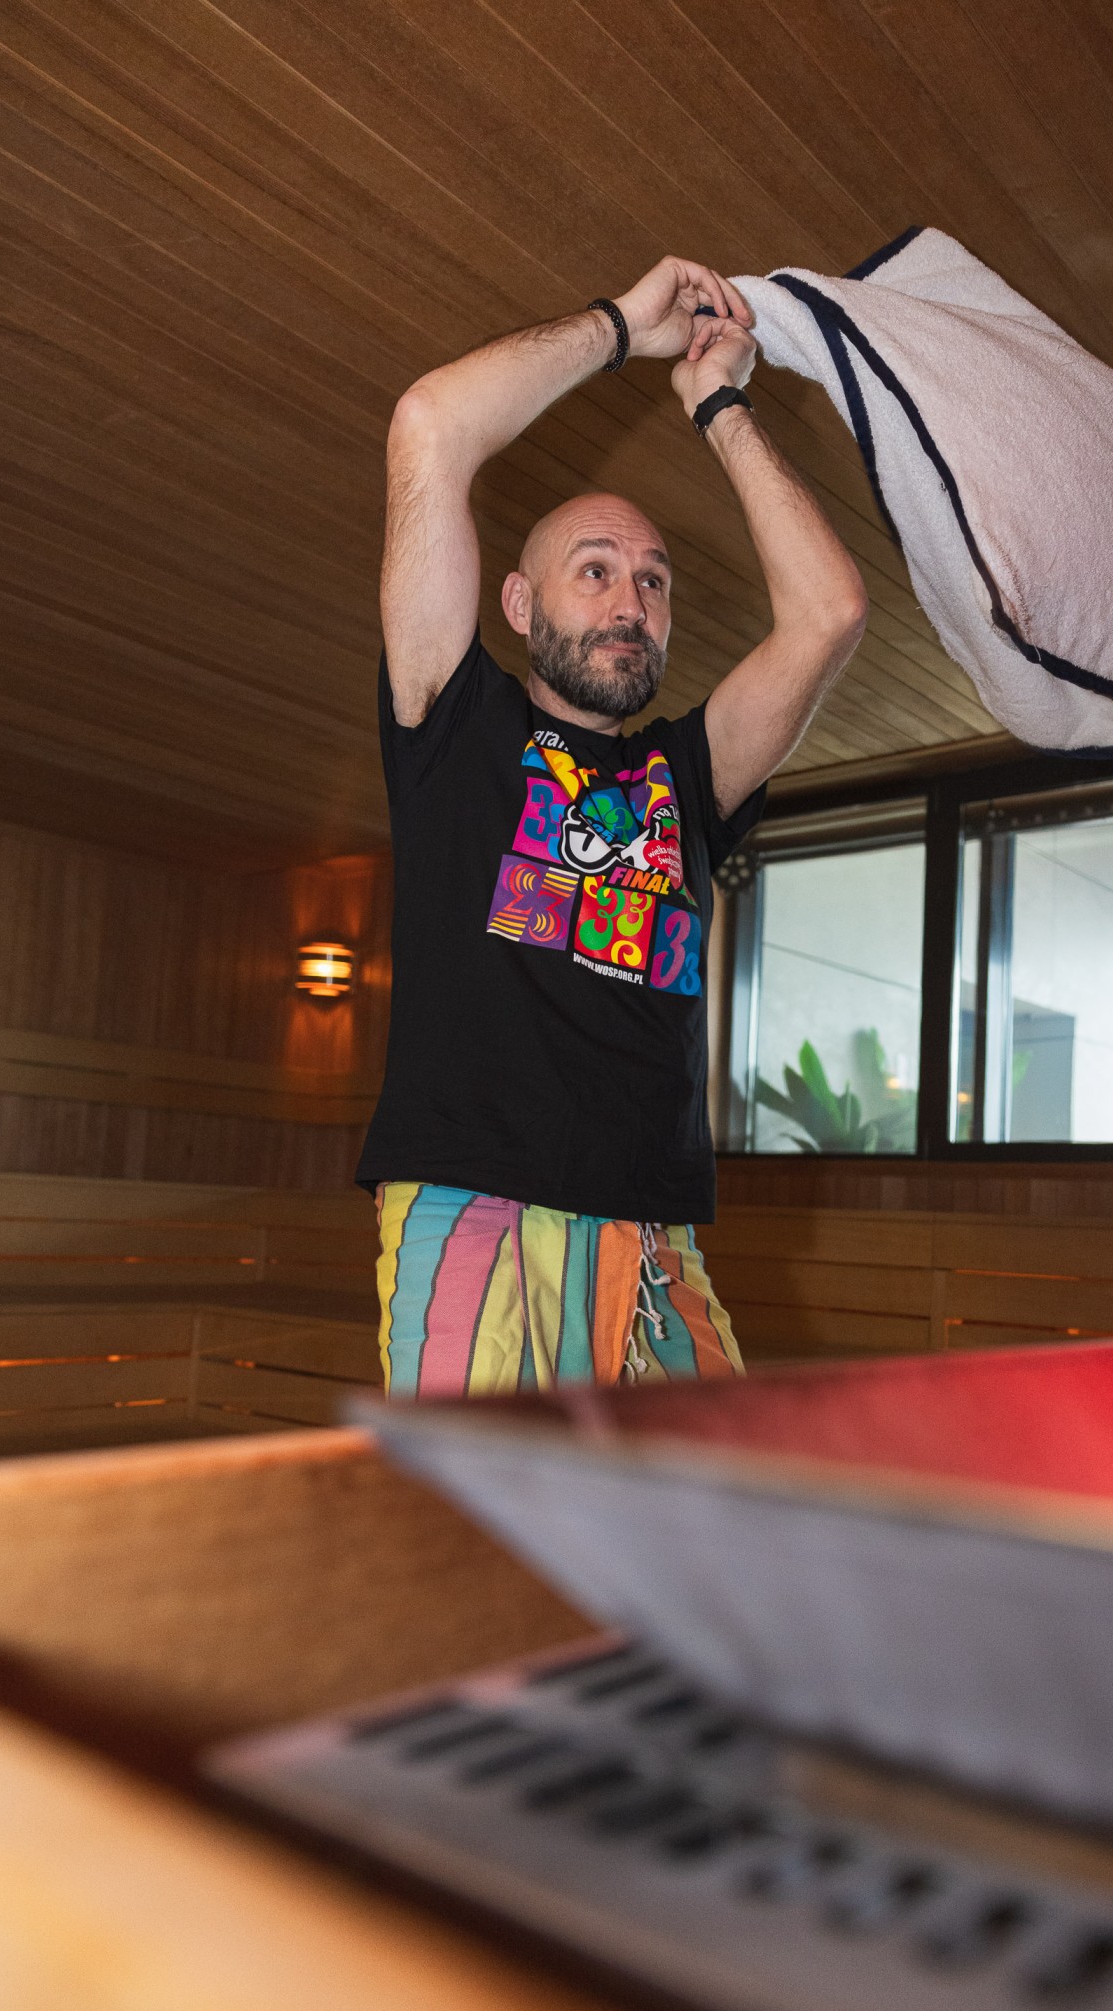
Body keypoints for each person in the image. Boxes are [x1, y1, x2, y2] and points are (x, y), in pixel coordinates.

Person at [362, 256, 867, 1397]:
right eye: (593, 571)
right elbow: (429, 426)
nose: (630, 602)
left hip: (655, 1233)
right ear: (520, 603)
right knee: (488, 1508)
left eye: (654, 581)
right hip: (473, 1206)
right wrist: (621, 331)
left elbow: (830, 612)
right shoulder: (454, 724)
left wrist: (720, 403)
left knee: (713, 1505)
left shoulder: (687, 775)